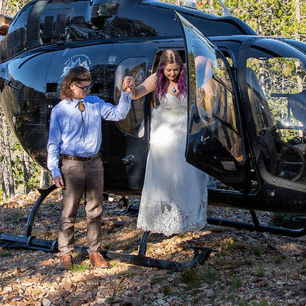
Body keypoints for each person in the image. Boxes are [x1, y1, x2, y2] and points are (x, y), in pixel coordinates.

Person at [46, 65, 134, 269]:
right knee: (69, 211)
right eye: (83, 87)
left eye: (89, 87)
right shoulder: (61, 110)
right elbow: (53, 142)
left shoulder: (95, 103)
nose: (87, 91)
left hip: (94, 163)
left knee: (94, 210)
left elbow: (118, 114)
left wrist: (126, 94)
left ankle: (94, 251)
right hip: (72, 164)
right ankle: (66, 253)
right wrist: (55, 169)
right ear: (71, 86)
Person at [130, 50, 208, 235]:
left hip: (183, 130)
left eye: (175, 70)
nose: (172, 74)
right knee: (163, 175)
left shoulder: (187, 76)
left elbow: (204, 58)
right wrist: (129, 86)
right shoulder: (156, 79)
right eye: (168, 70)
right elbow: (136, 94)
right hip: (163, 132)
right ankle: (160, 217)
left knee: (187, 173)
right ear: (162, 68)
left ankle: (186, 216)